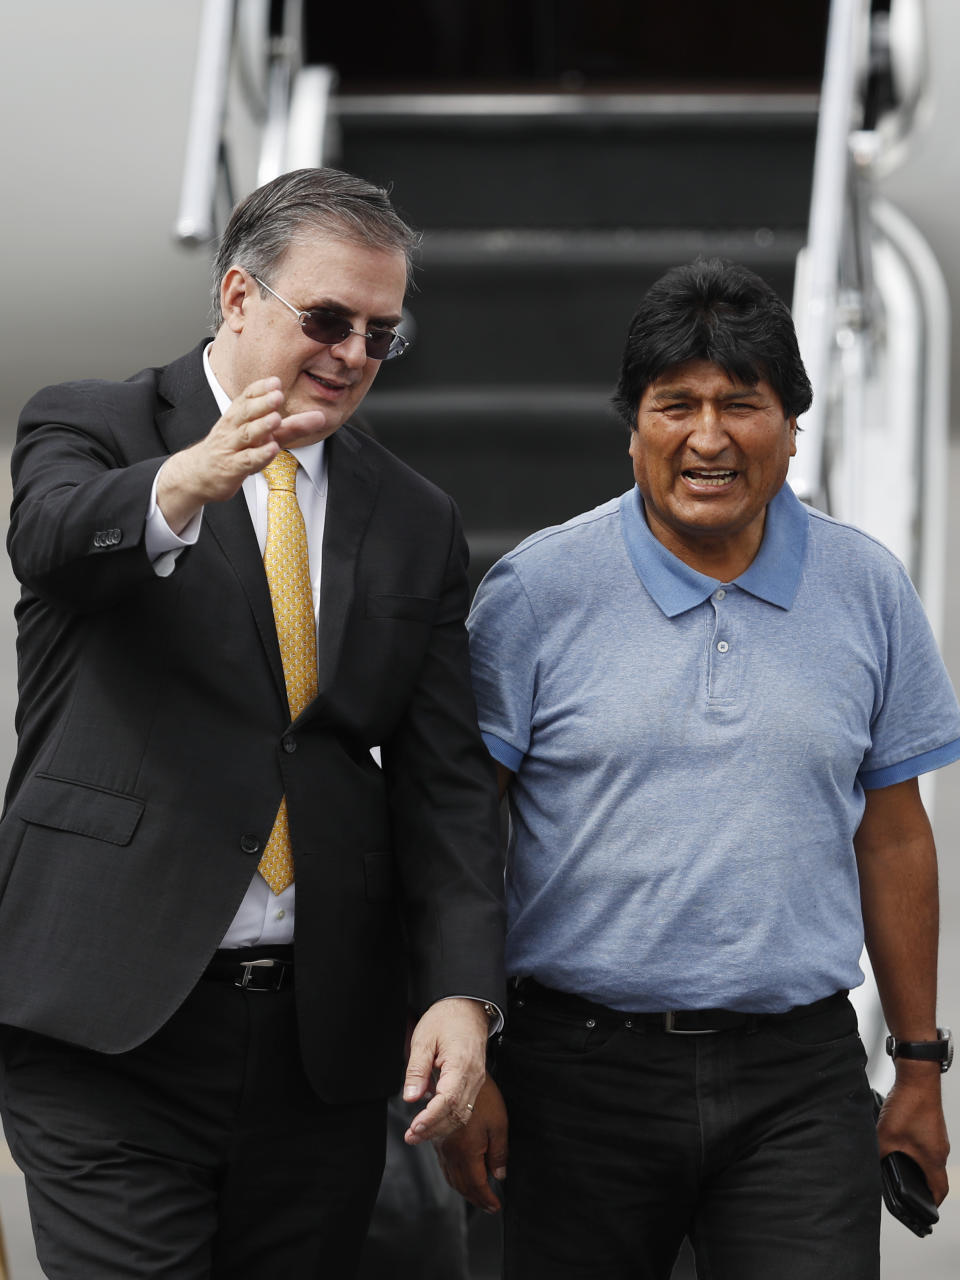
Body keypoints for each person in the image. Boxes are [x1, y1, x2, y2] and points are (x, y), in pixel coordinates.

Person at [0, 166, 505, 1278]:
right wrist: (179, 486)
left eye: (382, 334)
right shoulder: (98, 423)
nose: (352, 354)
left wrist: (462, 992)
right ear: (237, 296)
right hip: (108, 1024)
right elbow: (47, 536)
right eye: (327, 319)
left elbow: (446, 782)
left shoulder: (415, 516)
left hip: (313, 1047)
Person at [441, 258, 960, 1279]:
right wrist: (472, 1053)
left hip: (797, 1077)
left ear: (794, 425)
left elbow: (894, 829)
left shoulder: (868, 587)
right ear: (632, 424)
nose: (709, 436)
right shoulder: (535, 591)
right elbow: (462, 833)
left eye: (743, 404)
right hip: (573, 1072)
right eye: (675, 404)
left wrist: (918, 1061)